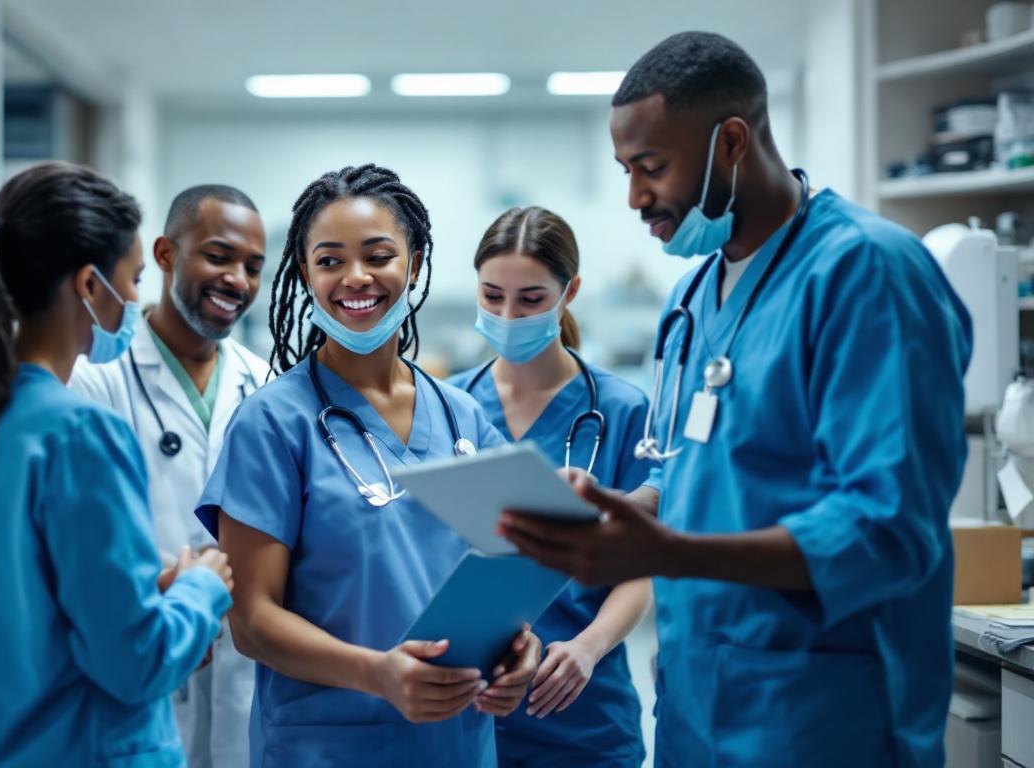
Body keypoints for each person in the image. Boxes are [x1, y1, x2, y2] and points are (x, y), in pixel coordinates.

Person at [497, 32, 972, 767]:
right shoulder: (691, 298)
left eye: (651, 167)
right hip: (696, 716)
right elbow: (700, 473)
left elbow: (888, 529)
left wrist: (670, 552)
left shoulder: (866, 274)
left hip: (826, 720)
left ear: (731, 142)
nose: (635, 199)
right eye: (625, 171)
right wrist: (618, 509)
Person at [194, 164, 540, 767]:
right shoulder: (273, 424)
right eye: (329, 261)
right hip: (329, 745)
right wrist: (376, 674)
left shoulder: (463, 419)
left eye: (378, 256)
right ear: (304, 274)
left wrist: (518, 651)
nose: (355, 277)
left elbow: (505, 580)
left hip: (456, 745)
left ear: (414, 261)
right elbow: (251, 621)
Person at [0, 162, 233, 767]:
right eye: (133, 278)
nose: (137, 298)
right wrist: (202, 590)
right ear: (89, 286)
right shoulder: (80, 433)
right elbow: (136, 663)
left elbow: (29, 602)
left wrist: (144, 581)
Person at [70, 184, 270, 768]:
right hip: (144, 660)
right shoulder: (96, 380)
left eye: (253, 267)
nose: (237, 279)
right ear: (164, 254)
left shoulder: (266, 385)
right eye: (219, 256)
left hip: (244, 674)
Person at [448, 206, 653, 768]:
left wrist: (588, 648)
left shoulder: (619, 410)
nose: (508, 315)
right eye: (492, 296)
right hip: (473, 704)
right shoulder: (450, 409)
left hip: (582, 711)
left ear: (570, 292)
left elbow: (643, 565)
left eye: (531, 299)